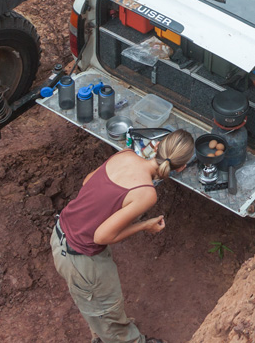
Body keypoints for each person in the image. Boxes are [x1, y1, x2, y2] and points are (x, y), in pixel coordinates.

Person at [51, 130, 195, 343]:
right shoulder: (146, 192)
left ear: (155, 146)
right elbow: (101, 236)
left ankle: (103, 333)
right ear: (181, 167)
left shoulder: (125, 155)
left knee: (99, 309)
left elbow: (87, 182)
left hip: (61, 233)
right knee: (106, 312)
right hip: (82, 259)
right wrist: (144, 225)